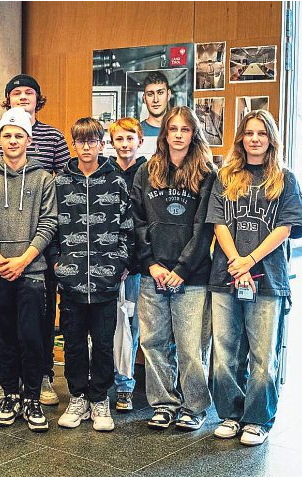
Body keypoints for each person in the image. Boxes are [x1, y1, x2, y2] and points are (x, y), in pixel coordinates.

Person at [206, 110, 302, 446]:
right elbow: (218, 223)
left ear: (271, 138)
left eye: (262, 133)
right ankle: (231, 415)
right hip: (225, 276)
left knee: (263, 354)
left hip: (268, 279)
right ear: (241, 138)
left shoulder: (285, 179)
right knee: (226, 351)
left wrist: (249, 260)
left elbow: (285, 228)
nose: (255, 139)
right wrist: (236, 260)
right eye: (249, 133)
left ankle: (257, 419)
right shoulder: (225, 176)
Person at [0, 74, 70, 407]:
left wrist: (27, 257)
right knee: (3, 328)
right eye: (15, 93)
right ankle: (10, 384)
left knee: (39, 325)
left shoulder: (51, 147)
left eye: (28, 92)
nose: (13, 140)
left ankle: (39, 379)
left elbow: (58, 194)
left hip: (36, 256)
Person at [132, 106, 216, 431]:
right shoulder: (146, 171)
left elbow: (204, 228)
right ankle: (164, 404)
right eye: (173, 129)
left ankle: (194, 407)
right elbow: (137, 222)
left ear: (194, 133)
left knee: (191, 346)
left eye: (184, 129)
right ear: (164, 134)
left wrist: (181, 268)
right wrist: (150, 264)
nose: (178, 135)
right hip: (152, 274)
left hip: (192, 276)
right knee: (153, 341)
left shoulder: (207, 174)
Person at [0, 107, 57, 432]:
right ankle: (10, 394)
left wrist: (23, 260)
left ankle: (33, 397)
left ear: (29, 139)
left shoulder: (43, 179)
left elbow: (50, 223)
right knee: (4, 338)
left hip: (33, 271)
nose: (12, 140)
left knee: (32, 337)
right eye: (7, 135)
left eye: (18, 135)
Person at [52, 117, 134, 432]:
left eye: (93, 140)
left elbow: (128, 227)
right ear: (74, 144)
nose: (87, 147)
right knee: (72, 342)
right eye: (81, 141)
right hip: (71, 281)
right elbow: (51, 226)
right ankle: (77, 397)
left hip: (105, 281)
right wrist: (58, 263)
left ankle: (100, 398)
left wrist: (121, 263)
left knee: (102, 343)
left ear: (102, 144)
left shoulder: (116, 181)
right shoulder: (60, 182)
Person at [108, 118, 147, 412]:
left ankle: (125, 384)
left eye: (129, 139)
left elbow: (142, 223)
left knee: (130, 326)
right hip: (104, 263)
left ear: (139, 141)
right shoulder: (105, 171)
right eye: (119, 139)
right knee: (104, 324)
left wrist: (130, 262)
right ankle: (102, 379)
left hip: (133, 267)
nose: (124, 145)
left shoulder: (147, 173)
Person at [140, 71, 172, 137]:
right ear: (144, 98)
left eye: (160, 93)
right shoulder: (136, 131)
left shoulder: (178, 131)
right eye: (150, 94)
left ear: (168, 95)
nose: (156, 100)